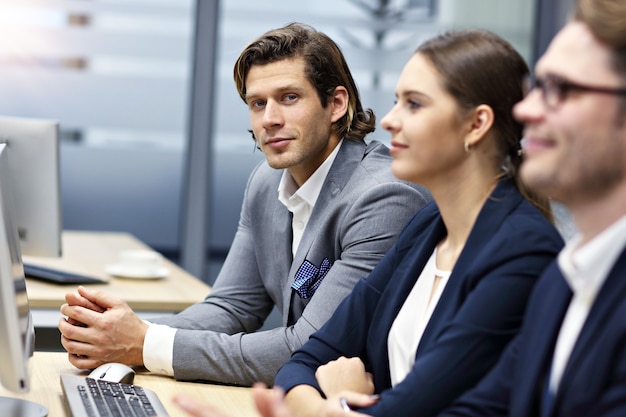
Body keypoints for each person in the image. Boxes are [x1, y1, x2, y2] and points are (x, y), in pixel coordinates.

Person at [58, 23, 429, 386]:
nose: (269, 119)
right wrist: (115, 334)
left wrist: (144, 343)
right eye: (257, 103)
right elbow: (231, 308)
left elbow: (309, 347)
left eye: (289, 97)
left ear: (336, 104)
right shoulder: (266, 182)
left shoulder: (383, 197)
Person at [273, 29, 564, 417]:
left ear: (476, 125)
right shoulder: (427, 228)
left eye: (414, 104)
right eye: (397, 101)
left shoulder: (524, 250)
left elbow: (415, 406)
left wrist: (339, 400)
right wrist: (327, 408)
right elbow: (302, 362)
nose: (390, 120)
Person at [439, 0, 626, 416]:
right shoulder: (563, 280)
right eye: (536, 87)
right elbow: (483, 409)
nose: (525, 110)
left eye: (561, 89)